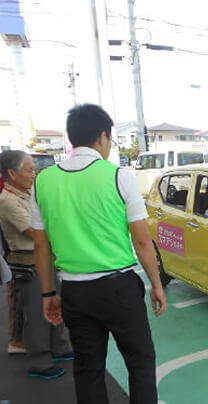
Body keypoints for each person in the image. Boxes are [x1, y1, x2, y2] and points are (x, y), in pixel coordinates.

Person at [32, 104, 166, 404]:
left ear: (71, 138)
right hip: (119, 288)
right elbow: (142, 241)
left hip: (74, 291)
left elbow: (41, 246)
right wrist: (156, 285)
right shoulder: (119, 176)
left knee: (88, 368)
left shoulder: (43, 181)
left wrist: (48, 293)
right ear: (103, 136)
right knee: (140, 362)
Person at [0, 150, 71, 379]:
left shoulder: (29, 193)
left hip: (45, 259)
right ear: (12, 173)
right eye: (29, 170)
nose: (33, 174)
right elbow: (33, 232)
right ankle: (39, 362)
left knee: (56, 303)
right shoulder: (6, 201)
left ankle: (59, 347)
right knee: (37, 314)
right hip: (28, 264)